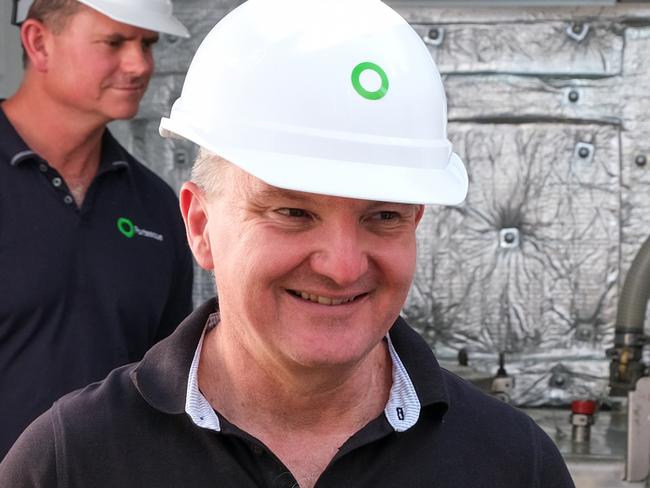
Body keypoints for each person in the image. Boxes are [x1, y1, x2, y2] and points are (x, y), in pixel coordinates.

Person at [0, 0, 575, 486]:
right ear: (200, 226)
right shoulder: (69, 463)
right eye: (293, 212)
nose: (343, 266)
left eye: (383, 216)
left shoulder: (513, 466)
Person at [0, 0, 193, 459]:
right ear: (38, 43)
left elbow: (168, 384)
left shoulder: (157, 208)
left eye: (147, 44)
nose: (140, 64)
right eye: (115, 42)